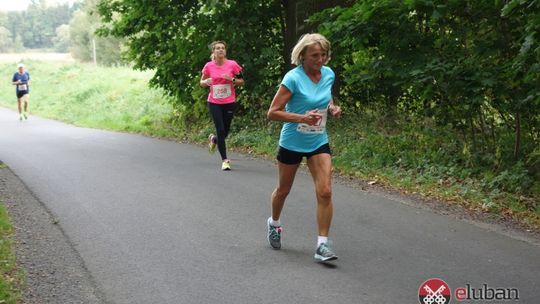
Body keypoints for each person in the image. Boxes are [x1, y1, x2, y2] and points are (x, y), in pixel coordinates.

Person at [266, 33, 342, 262]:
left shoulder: (328, 74)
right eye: (315, 55)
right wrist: (301, 118)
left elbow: (326, 97)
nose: (320, 60)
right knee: (283, 190)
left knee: (325, 191)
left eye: (323, 55)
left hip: (318, 140)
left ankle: (322, 245)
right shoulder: (293, 78)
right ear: (302, 56)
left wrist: (332, 108)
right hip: (291, 142)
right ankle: (274, 223)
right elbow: (272, 113)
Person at [200, 40, 244, 170]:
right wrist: (206, 81)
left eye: (223, 48)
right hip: (214, 102)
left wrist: (232, 79)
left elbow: (242, 81)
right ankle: (225, 160)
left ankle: (214, 139)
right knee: (220, 129)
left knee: (224, 133)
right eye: (217, 48)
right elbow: (201, 82)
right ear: (213, 51)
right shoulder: (208, 66)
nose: (220, 50)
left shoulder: (232, 65)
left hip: (229, 102)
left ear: (225, 51)